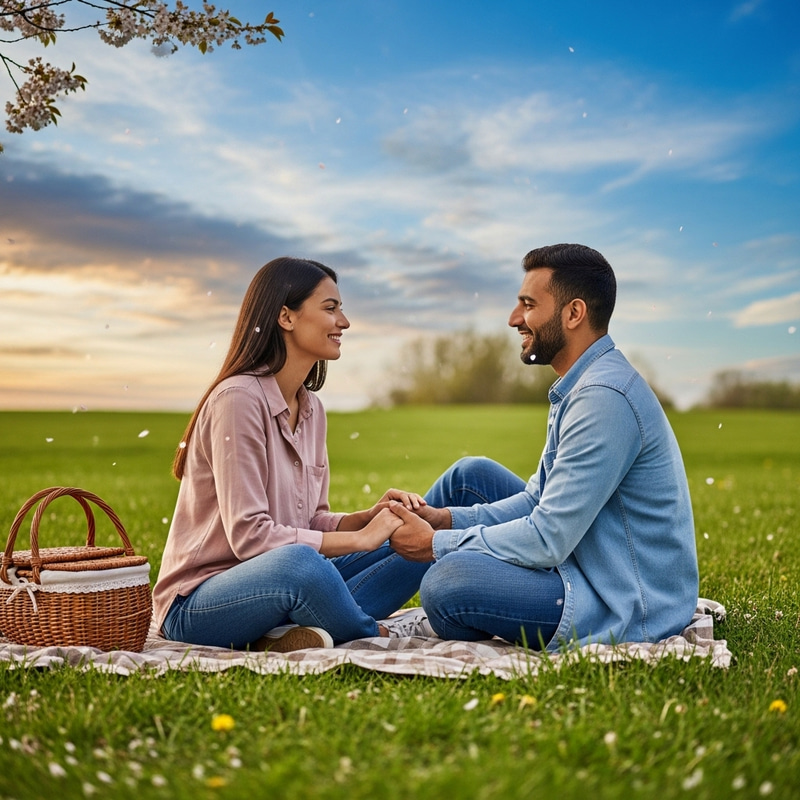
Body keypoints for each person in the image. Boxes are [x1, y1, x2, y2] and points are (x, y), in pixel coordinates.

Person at [389, 243, 699, 651]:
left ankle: (333, 608)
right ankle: (338, 604)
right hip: (584, 559)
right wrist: (444, 521)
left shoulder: (604, 398)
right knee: (470, 479)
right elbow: (537, 500)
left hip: (623, 602)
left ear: (573, 314)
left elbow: (547, 537)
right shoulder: (583, 383)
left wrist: (434, 545)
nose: (514, 319)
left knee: (448, 583)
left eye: (528, 304)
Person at [153, 257, 430, 652]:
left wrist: (365, 521)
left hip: (281, 584)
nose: (344, 322)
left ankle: (291, 631)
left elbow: (311, 519)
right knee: (302, 565)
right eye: (330, 308)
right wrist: (360, 541)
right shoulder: (238, 400)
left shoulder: (312, 409)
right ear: (286, 316)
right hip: (198, 604)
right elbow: (250, 537)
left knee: (414, 536)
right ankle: (377, 634)